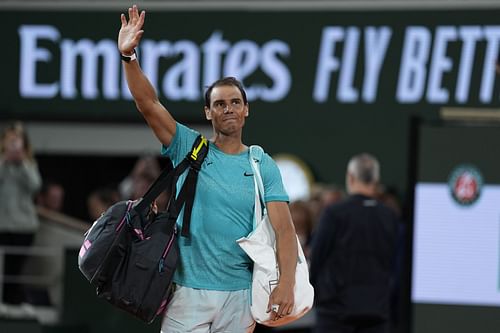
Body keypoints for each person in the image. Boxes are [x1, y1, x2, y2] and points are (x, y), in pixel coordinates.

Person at [118, 5, 297, 333]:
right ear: (208, 112)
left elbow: (285, 231)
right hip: (187, 292)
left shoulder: (261, 163)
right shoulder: (189, 146)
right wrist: (129, 57)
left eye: (234, 102)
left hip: (241, 297)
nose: (228, 108)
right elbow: (148, 103)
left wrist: (287, 282)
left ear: (246, 110)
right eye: (219, 104)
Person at [309, 153, 399, 333]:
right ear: (375, 179)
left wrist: (315, 293)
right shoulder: (390, 216)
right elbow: (396, 262)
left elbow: (317, 257)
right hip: (377, 312)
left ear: (350, 177)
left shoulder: (334, 213)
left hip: (335, 314)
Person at [0, 122, 42, 304]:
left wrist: (22, 163)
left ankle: (12, 301)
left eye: (17, 141)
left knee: (15, 269)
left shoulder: (29, 164)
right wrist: (5, 160)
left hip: (24, 226)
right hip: (3, 225)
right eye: (11, 141)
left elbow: (35, 186)